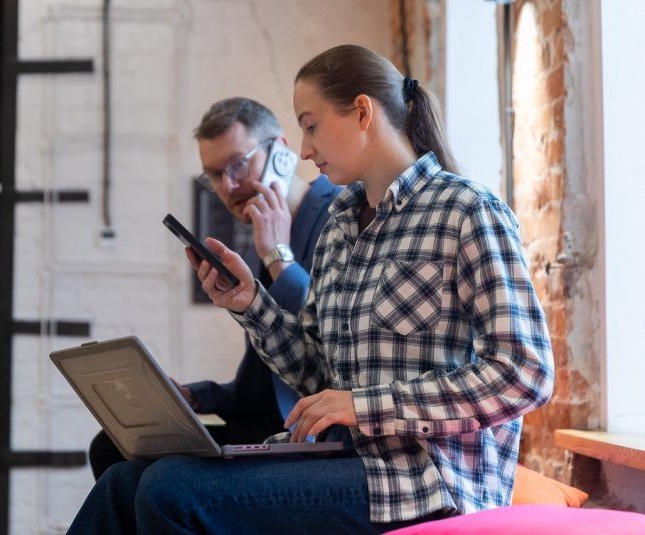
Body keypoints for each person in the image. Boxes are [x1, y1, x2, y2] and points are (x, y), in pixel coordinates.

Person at [67, 44, 555, 534]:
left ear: (362, 112)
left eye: (311, 125)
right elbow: (317, 373)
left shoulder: (467, 211)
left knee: (169, 490)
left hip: (424, 481)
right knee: (123, 480)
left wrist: (363, 405)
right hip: (343, 460)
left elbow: (525, 374)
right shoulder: (340, 227)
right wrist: (251, 304)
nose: (302, 150)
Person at [86, 96, 341, 480]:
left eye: (238, 164)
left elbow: (325, 350)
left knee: (158, 478)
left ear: (281, 152)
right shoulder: (258, 244)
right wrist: (194, 396)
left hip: (303, 433)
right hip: (258, 426)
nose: (229, 186)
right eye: (215, 175)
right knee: (111, 447)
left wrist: (279, 257)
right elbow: (260, 386)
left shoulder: (337, 216)